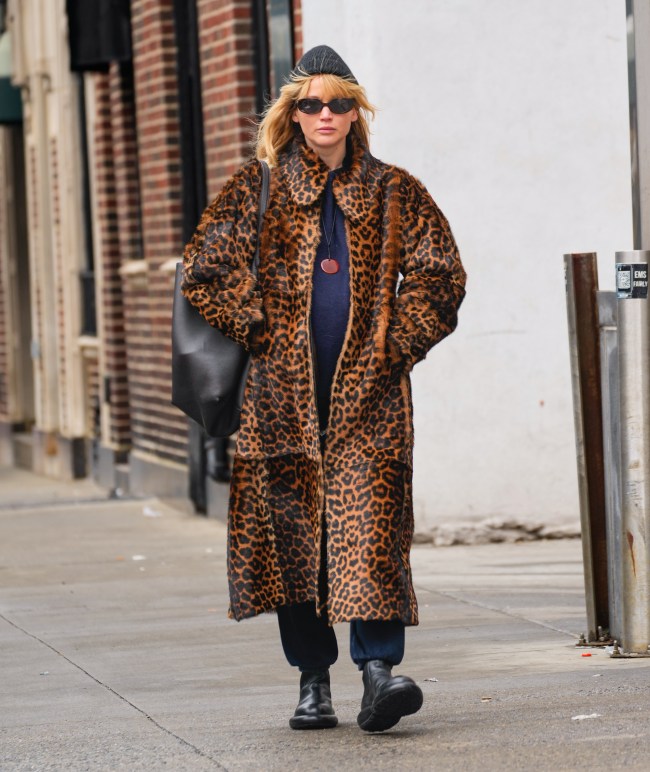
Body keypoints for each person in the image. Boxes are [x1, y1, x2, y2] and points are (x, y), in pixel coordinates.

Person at [181, 45, 466, 732]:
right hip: (279, 403)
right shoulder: (257, 187)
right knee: (293, 544)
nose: (325, 114)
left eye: (339, 102)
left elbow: (441, 276)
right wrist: (260, 327)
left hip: (371, 401)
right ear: (293, 114)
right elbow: (203, 271)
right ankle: (313, 682)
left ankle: (379, 674)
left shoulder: (395, 191)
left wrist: (396, 345)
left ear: (355, 112)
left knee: (371, 533)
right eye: (311, 104)